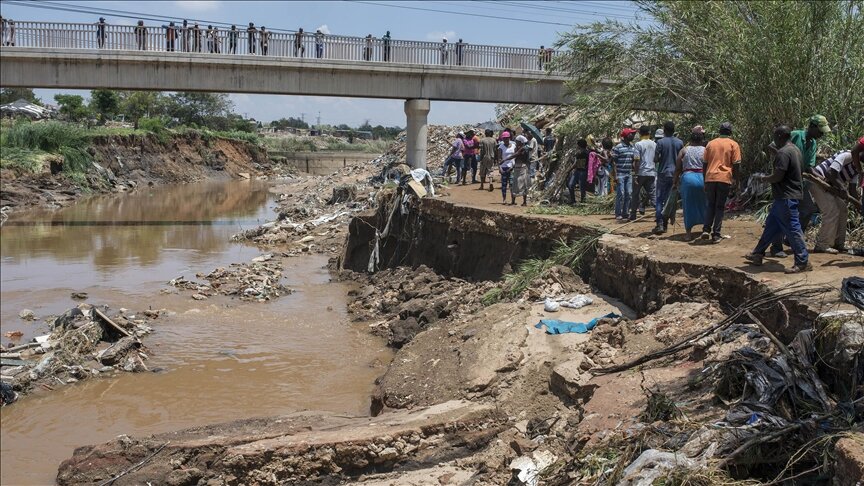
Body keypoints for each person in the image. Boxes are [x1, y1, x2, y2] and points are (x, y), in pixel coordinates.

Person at [745, 125, 810, 273]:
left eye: (775, 136)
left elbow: (778, 176)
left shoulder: (783, 153)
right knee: (771, 226)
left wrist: (762, 179)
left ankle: (802, 261)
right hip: (786, 196)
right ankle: (758, 253)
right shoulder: (795, 150)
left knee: (793, 229)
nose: (773, 139)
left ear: (780, 136)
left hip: (786, 197)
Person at [810, 149, 859, 253]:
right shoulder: (847, 155)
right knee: (831, 211)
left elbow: (852, 190)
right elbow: (829, 173)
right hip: (818, 181)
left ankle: (838, 244)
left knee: (843, 210)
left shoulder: (858, 167)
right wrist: (842, 187)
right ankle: (822, 245)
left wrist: (859, 205)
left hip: (832, 187)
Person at [701, 121, 741, 243]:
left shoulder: (710, 144)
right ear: (730, 132)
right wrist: (736, 180)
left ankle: (706, 229)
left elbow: (705, 163)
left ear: (719, 131)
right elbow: (737, 165)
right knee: (719, 207)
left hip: (710, 178)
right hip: (724, 178)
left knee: (710, 204)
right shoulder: (733, 144)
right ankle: (716, 234)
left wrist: (705, 180)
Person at [673, 126, 707, 240]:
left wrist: (675, 182)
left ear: (691, 140)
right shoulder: (705, 150)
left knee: (688, 205)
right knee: (705, 203)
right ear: (701, 140)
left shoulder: (684, 150)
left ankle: (688, 233)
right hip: (703, 178)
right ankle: (706, 229)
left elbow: (678, 168)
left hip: (688, 178)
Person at [653, 121, 683, 234]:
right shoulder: (679, 142)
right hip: (675, 173)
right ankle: (665, 224)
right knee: (670, 200)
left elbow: (655, 159)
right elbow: (682, 159)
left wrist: (661, 158)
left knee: (660, 199)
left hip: (663, 172)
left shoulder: (660, 142)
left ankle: (660, 224)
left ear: (664, 130)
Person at [631, 125, 657, 221]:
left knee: (635, 194)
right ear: (649, 133)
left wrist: (636, 174)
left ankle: (633, 214)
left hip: (641, 173)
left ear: (640, 133)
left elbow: (637, 160)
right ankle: (659, 213)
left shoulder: (638, 144)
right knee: (652, 194)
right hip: (651, 172)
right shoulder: (654, 144)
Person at [612, 128, 638, 220]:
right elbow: (614, 162)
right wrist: (615, 175)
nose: (633, 136)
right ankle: (618, 213)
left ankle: (625, 212)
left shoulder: (632, 147)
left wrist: (634, 174)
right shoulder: (618, 147)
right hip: (620, 174)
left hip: (629, 174)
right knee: (621, 194)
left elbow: (634, 162)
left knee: (629, 193)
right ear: (626, 136)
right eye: (631, 134)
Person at [509, 135, 531, 206]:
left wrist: (504, 160)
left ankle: (523, 202)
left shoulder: (524, 149)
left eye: (517, 141)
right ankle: (514, 201)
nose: (516, 142)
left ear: (520, 142)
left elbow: (516, 155)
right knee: (516, 184)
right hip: (517, 167)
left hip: (522, 168)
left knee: (522, 185)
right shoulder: (519, 148)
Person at [568, 139, 591, 204]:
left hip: (580, 171)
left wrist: (569, 170)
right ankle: (581, 201)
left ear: (579, 145)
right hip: (581, 171)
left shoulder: (581, 153)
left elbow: (577, 164)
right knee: (581, 187)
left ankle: (575, 201)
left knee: (571, 185)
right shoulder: (587, 152)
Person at [498, 131, 516, 203]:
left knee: (512, 184)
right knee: (504, 185)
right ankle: (504, 199)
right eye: (504, 138)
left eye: (507, 138)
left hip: (511, 167)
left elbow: (515, 156)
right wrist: (500, 168)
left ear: (509, 138)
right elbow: (499, 158)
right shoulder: (500, 147)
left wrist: (513, 166)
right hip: (504, 167)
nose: (506, 140)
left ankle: (513, 200)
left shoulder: (513, 146)